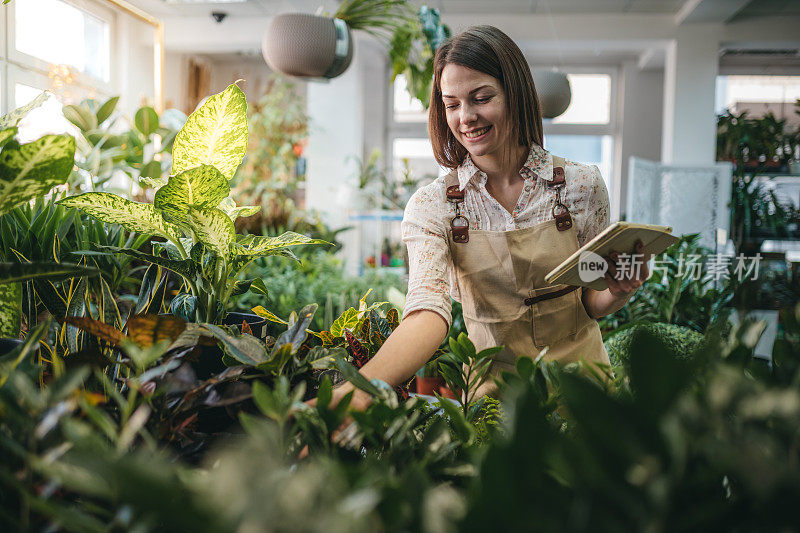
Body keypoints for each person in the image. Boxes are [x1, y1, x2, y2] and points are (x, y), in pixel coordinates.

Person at [324, 25, 649, 407]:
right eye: (451, 104)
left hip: (584, 389)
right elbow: (427, 312)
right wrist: (358, 393)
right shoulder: (434, 207)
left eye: (481, 98)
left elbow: (589, 301)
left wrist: (617, 287)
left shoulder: (581, 186)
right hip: (496, 404)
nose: (466, 117)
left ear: (515, 94)